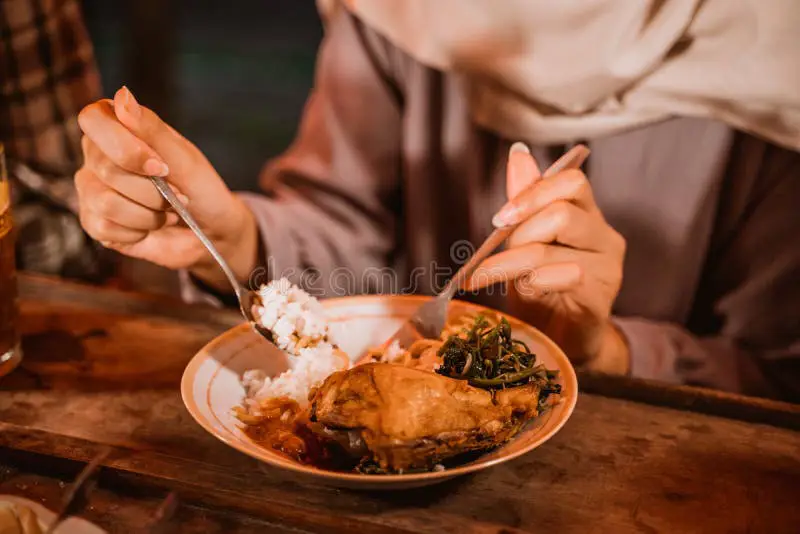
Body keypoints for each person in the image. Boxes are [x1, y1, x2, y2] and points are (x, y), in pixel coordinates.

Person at [73, 1, 800, 400]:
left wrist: (602, 350)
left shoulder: (769, 49)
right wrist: (234, 238)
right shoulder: (405, 12)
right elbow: (348, 236)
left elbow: (776, 375)